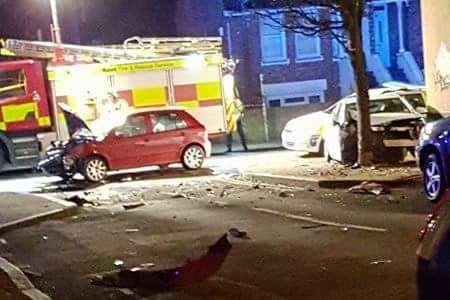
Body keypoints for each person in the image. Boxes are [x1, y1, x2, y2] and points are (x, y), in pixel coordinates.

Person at [224, 70, 248, 152]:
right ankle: (244, 146)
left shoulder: (227, 81)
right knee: (239, 130)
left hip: (232, 110)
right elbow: (238, 95)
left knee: (230, 129)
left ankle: (229, 147)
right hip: (235, 111)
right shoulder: (232, 82)